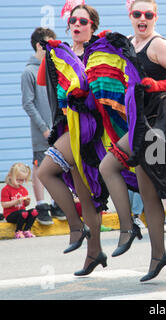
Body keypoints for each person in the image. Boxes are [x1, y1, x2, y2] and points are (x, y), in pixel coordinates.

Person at [99, 0, 166, 282]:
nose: (142, 18)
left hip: (157, 120)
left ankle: (130, 230)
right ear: (130, 16)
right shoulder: (130, 42)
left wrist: (158, 85)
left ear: (155, 17)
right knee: (144, 191)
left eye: (148, 14)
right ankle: (157, 253)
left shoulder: (159, 45)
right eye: (137, 14)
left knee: (110, 167)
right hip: (138, 119)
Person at [37, 2, 107, 276]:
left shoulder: (98, 53)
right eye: (74, 21)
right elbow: (44, 82)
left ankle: (77, 228)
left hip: (89, 128)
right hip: (67, 127)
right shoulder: (62, 53)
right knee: (85, 194)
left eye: (83, 22)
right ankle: (94, 253)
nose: (77, 25)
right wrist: (50, 54)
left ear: (92, 26)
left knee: (45, 171)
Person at [21, 27, 66, 226]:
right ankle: (41, 205)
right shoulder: (28, 72)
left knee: (60, 164)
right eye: (49, 44)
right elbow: (28, 103)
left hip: (57, 126)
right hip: (42, 130)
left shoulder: (53, 68)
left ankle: (57, 202)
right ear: (40, 45)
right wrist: (43, 127)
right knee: (40, 165)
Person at [1, 163, 38, 239]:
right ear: (10, 176)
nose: (20, 182)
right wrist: (16, 201)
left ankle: (27, 230)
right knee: (23, 213)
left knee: (34, 211)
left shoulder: (23, 189)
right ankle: (18, 231)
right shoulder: (6, 189)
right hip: (10, 215)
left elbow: (25, 205)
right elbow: (4, 204)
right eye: (18, 179)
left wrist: (27, 201)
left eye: (23, 180)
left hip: (22, 214)